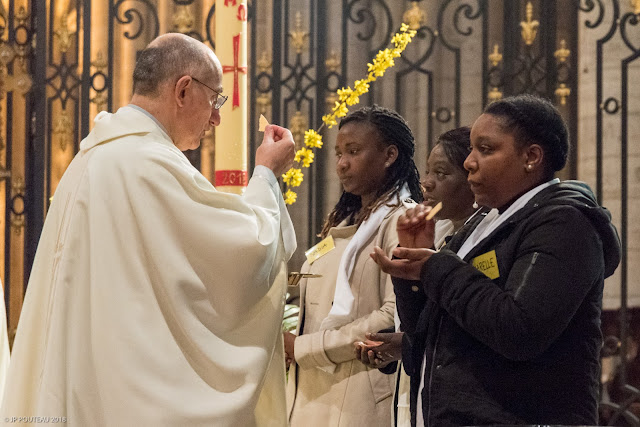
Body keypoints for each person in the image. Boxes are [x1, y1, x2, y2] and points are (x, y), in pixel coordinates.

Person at [1, 33, 296, 426]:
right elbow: (248, 253)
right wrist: (266, 174)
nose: (216, 118)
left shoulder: (93, 157)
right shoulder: (147, 163)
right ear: (184, 90)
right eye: (215, 100)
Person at [372, 94, 621, 426]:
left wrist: (437, 267)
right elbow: (426, 334)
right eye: (472, 149)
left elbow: (519, 329)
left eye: (485, 150)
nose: (469, 162)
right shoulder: (482, 222)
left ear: (531, 157)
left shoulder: (565, 224)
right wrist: (413, 274)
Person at [284, 105, 423, 427]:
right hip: (314, 389)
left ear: (389, 155)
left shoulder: (402, 220)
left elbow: (394, 315)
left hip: (358, 394)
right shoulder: (345, 223)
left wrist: (305, 347)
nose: (342, 164)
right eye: (338, 153)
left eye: (354, 151)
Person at [355, 127, 479, 427]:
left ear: (472, 177)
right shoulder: (443, 234)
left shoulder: (484, 240)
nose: (426, 183)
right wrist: (402, 344)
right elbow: (426, 321)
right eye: (426, 171)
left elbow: (478, 327)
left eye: (441, 172)